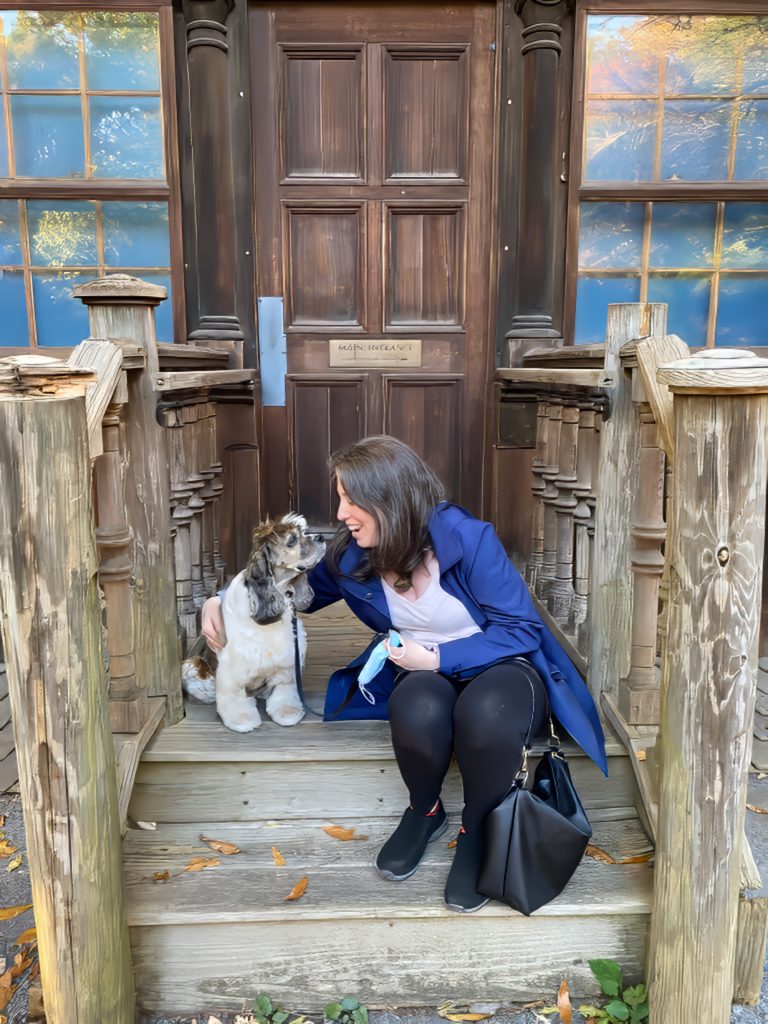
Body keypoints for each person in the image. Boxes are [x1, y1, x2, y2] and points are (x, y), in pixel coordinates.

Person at [201, 435, 606, 913]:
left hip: (502, 666)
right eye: (340, 497)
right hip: (420, 673)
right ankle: (424, 811)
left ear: (388, 499)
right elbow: (291, 585)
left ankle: (477, 829)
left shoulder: (468, 539)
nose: (342, 512)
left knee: (486, 714)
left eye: (352, 499)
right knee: (415, 705)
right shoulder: (352, 554)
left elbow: (521, 629)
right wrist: (222, 599)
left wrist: (435, 658)